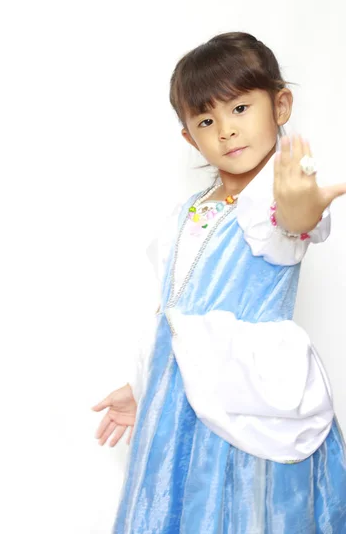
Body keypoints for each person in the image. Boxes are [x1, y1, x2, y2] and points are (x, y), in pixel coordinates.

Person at [91, 32, 346, 533]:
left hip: (248, 406)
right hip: (178, 404)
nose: (227, 131)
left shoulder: (272, 203)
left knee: (242, 511)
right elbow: (174, 310)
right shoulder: (191, 211)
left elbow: (293, 221)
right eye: (207, 120)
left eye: (240, 108)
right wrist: (145, 385)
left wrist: (304, 204)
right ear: (189, 136)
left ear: (280, 105)